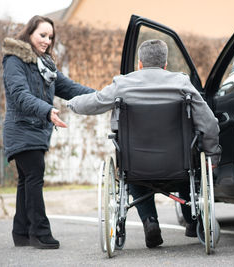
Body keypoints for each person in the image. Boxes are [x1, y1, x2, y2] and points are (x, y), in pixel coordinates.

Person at [67, 39, 221, 248]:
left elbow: (92, 103)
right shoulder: (182, 84)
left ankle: (150, 221)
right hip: (178, 166)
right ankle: (193, 222)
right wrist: (212, 155)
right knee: (191, 166)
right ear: (165, 64)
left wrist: (70, 104)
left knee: (132, 173)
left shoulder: (122, 84)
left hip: (137, 169)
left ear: (139, 63)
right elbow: (209, 124)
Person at [2, 15, 95, 249]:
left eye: (50, 37)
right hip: (21, 128)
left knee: (27, 180)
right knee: (34, 176)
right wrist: (47, 110)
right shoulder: (15, 60)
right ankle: (40, 233)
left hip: (37, 131)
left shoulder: (46, 65)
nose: (47, 41)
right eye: (42, 35)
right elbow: (19, 95)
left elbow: (71, 88)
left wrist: (102, 96)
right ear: (29, 33)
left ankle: (21, 232)